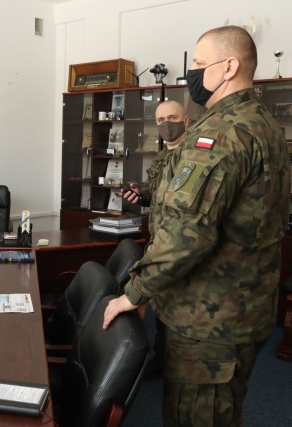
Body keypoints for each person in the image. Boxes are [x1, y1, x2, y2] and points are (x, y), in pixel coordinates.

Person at [103, 25, 290, 426]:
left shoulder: (223, 133)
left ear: (229, 67)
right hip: (241, 310)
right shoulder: (261, 123)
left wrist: (133, 293)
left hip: (209, 322)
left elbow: (188, 233)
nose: (193, 74)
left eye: (201, 64)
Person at [121, 100, 189, 378]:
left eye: (172, 118)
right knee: (162, 306)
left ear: (186, 120)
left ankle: (175, 367)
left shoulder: (194, 155)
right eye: (160, 120)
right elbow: (156, 191)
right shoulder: (163, 156)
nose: (165, 125)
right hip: (158, 239)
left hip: (179, 243)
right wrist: (141, 195)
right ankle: (162, 362)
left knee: (175, 310)